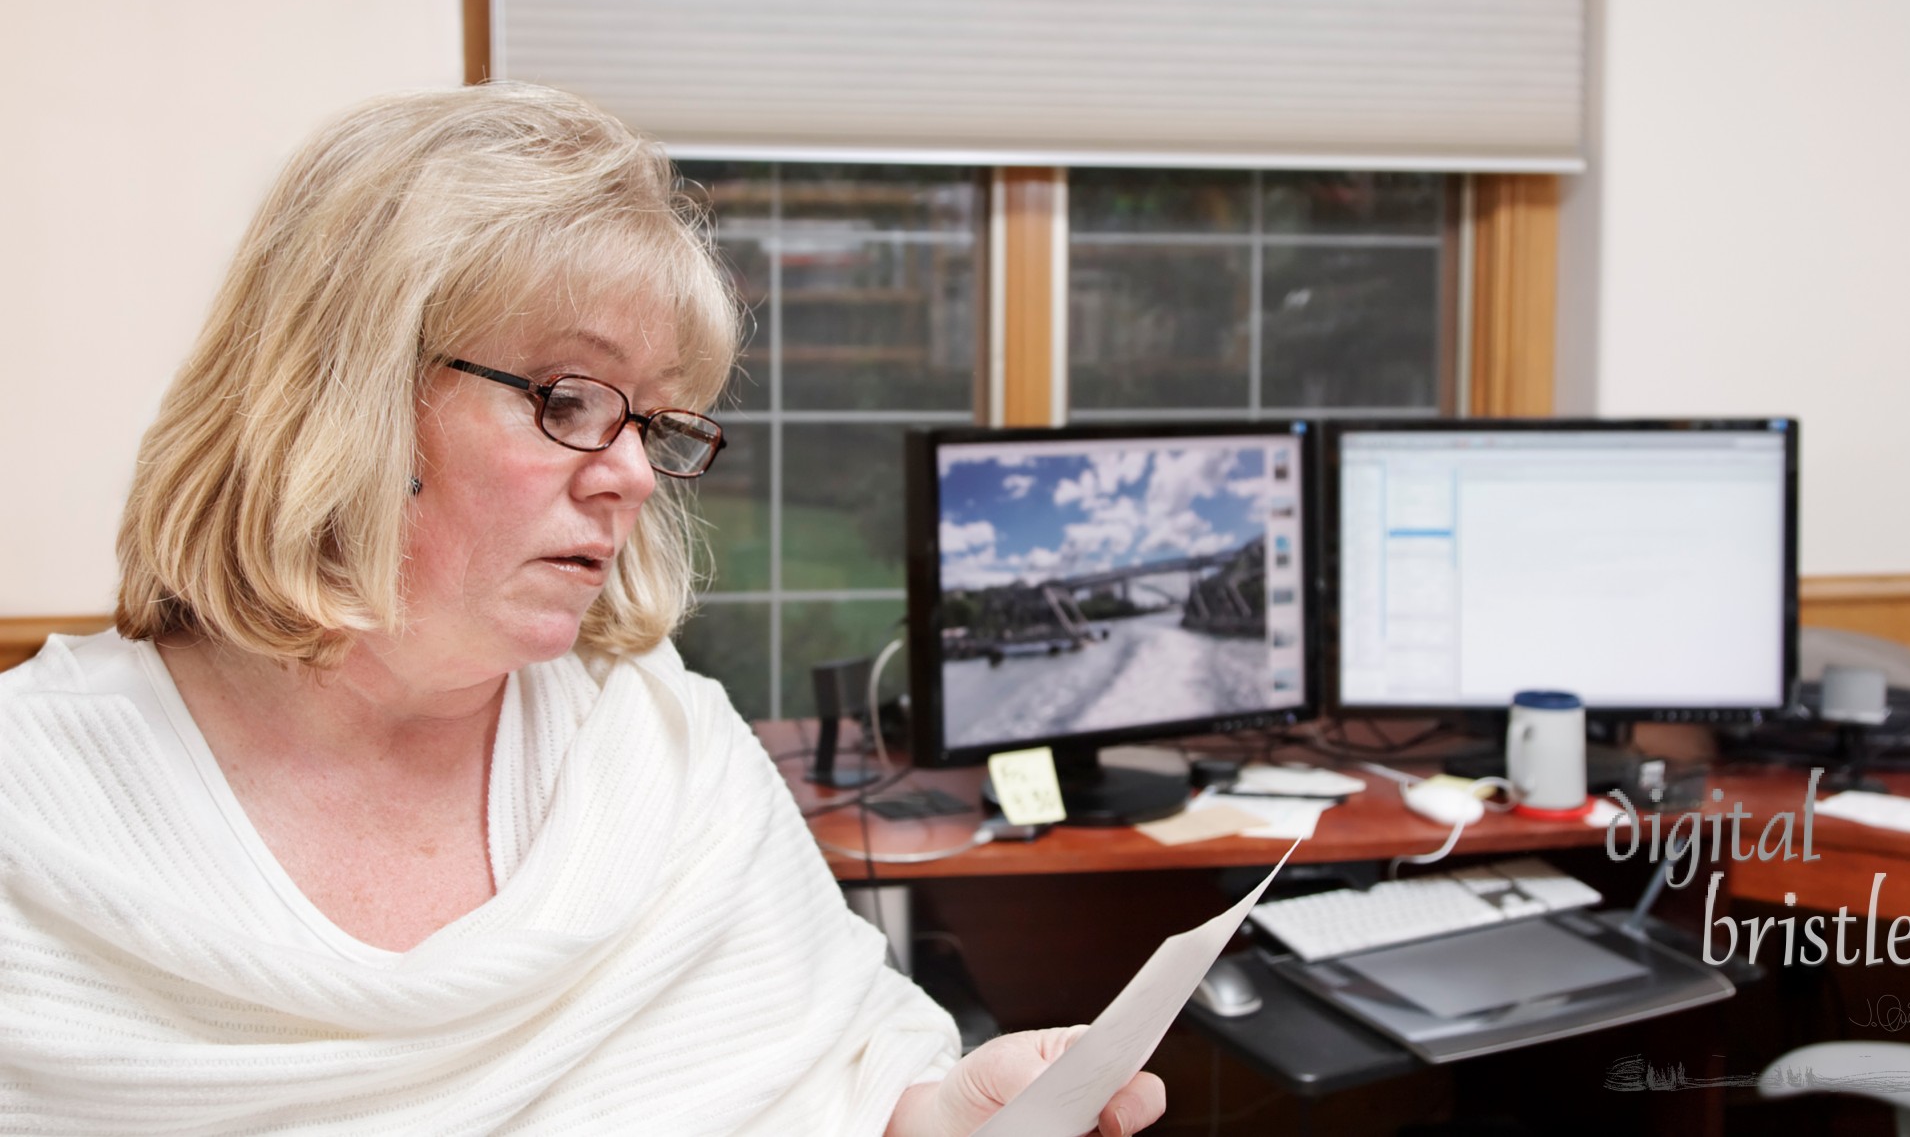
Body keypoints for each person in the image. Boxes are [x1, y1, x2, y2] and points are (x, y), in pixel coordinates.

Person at [0, 83, 1165, 1135]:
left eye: (652, 421)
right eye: (567, 397)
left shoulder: (658, 744)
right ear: (338, 391)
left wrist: (950, 1112)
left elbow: (842, 1079)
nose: (636, 474)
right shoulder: (37, 809)